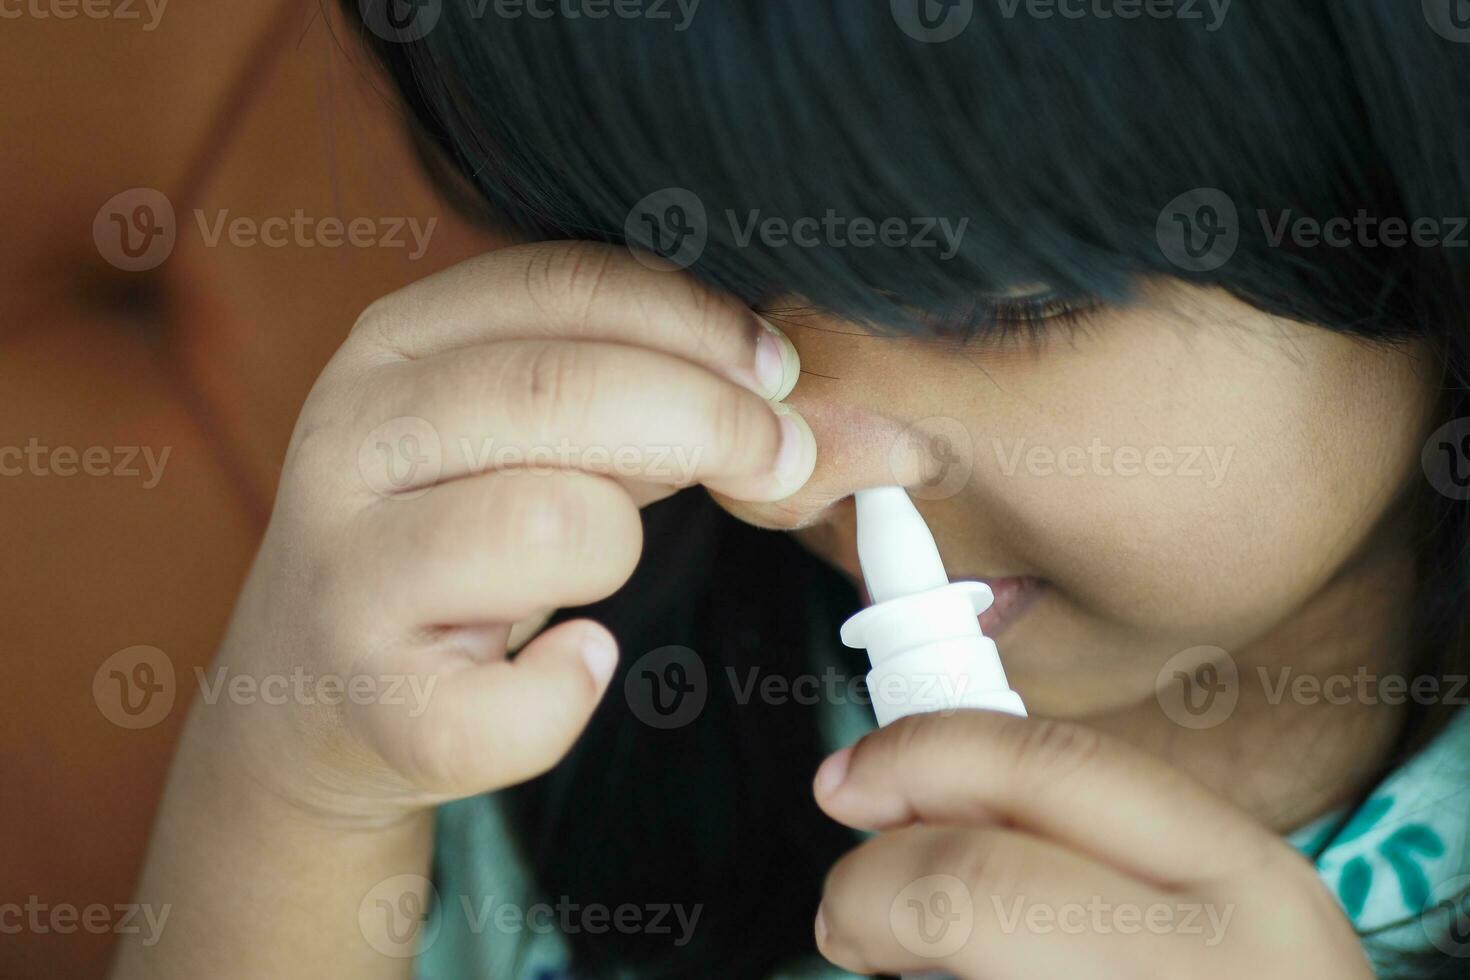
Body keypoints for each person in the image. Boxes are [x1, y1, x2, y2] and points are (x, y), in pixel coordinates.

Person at [112, 2, 1470, 977]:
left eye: (1009, 306)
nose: (790, 473)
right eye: (693, 274)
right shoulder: (572, 691)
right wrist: (298, 794)